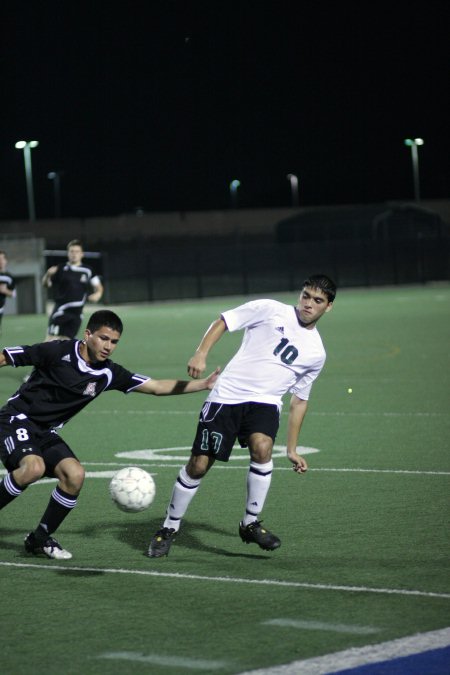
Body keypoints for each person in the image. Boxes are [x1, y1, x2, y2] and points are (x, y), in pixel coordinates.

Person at [0, 309, 219, 560]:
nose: (108, 346)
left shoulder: (109, 373)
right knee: (34, 468)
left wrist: (203, 385)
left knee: (74, 475)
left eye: (114, 341)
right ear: (88, 334)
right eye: (103, 338)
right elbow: (7, 357)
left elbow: (156, 387)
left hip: (45, 432)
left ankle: (38, 540)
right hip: (15, 420)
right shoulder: (58, 351)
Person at [148, 274, 336, 558]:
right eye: (306, 296)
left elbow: (299, 401)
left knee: (263, 448)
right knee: (199, 465)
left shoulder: (316, 353)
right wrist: (201, 354)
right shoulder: (270, 309)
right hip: (227, 396)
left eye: (317, 300)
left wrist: (293, 449)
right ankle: (169, 526)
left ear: (328, 307)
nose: (309, 304)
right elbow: (223, 321)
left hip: (265, 402)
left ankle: (250, 523)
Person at [42, 239, 104, 341]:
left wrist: (98, 294)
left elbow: (98, 287)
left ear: (82, 254)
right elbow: (46, 284)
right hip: (61, 311)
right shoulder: (61, 268)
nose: (74, 254)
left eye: (77, 251)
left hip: (77, 314)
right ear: (68, 253)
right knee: (50, 341)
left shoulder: (88, 270)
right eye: (71, 251)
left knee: (67, 342)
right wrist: (48, 275)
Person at [0, 250, 16, 335]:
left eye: (2, 259)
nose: (0, 261)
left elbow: (13, 294)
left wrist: (5, 291)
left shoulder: (9, 277)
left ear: (6, 261)